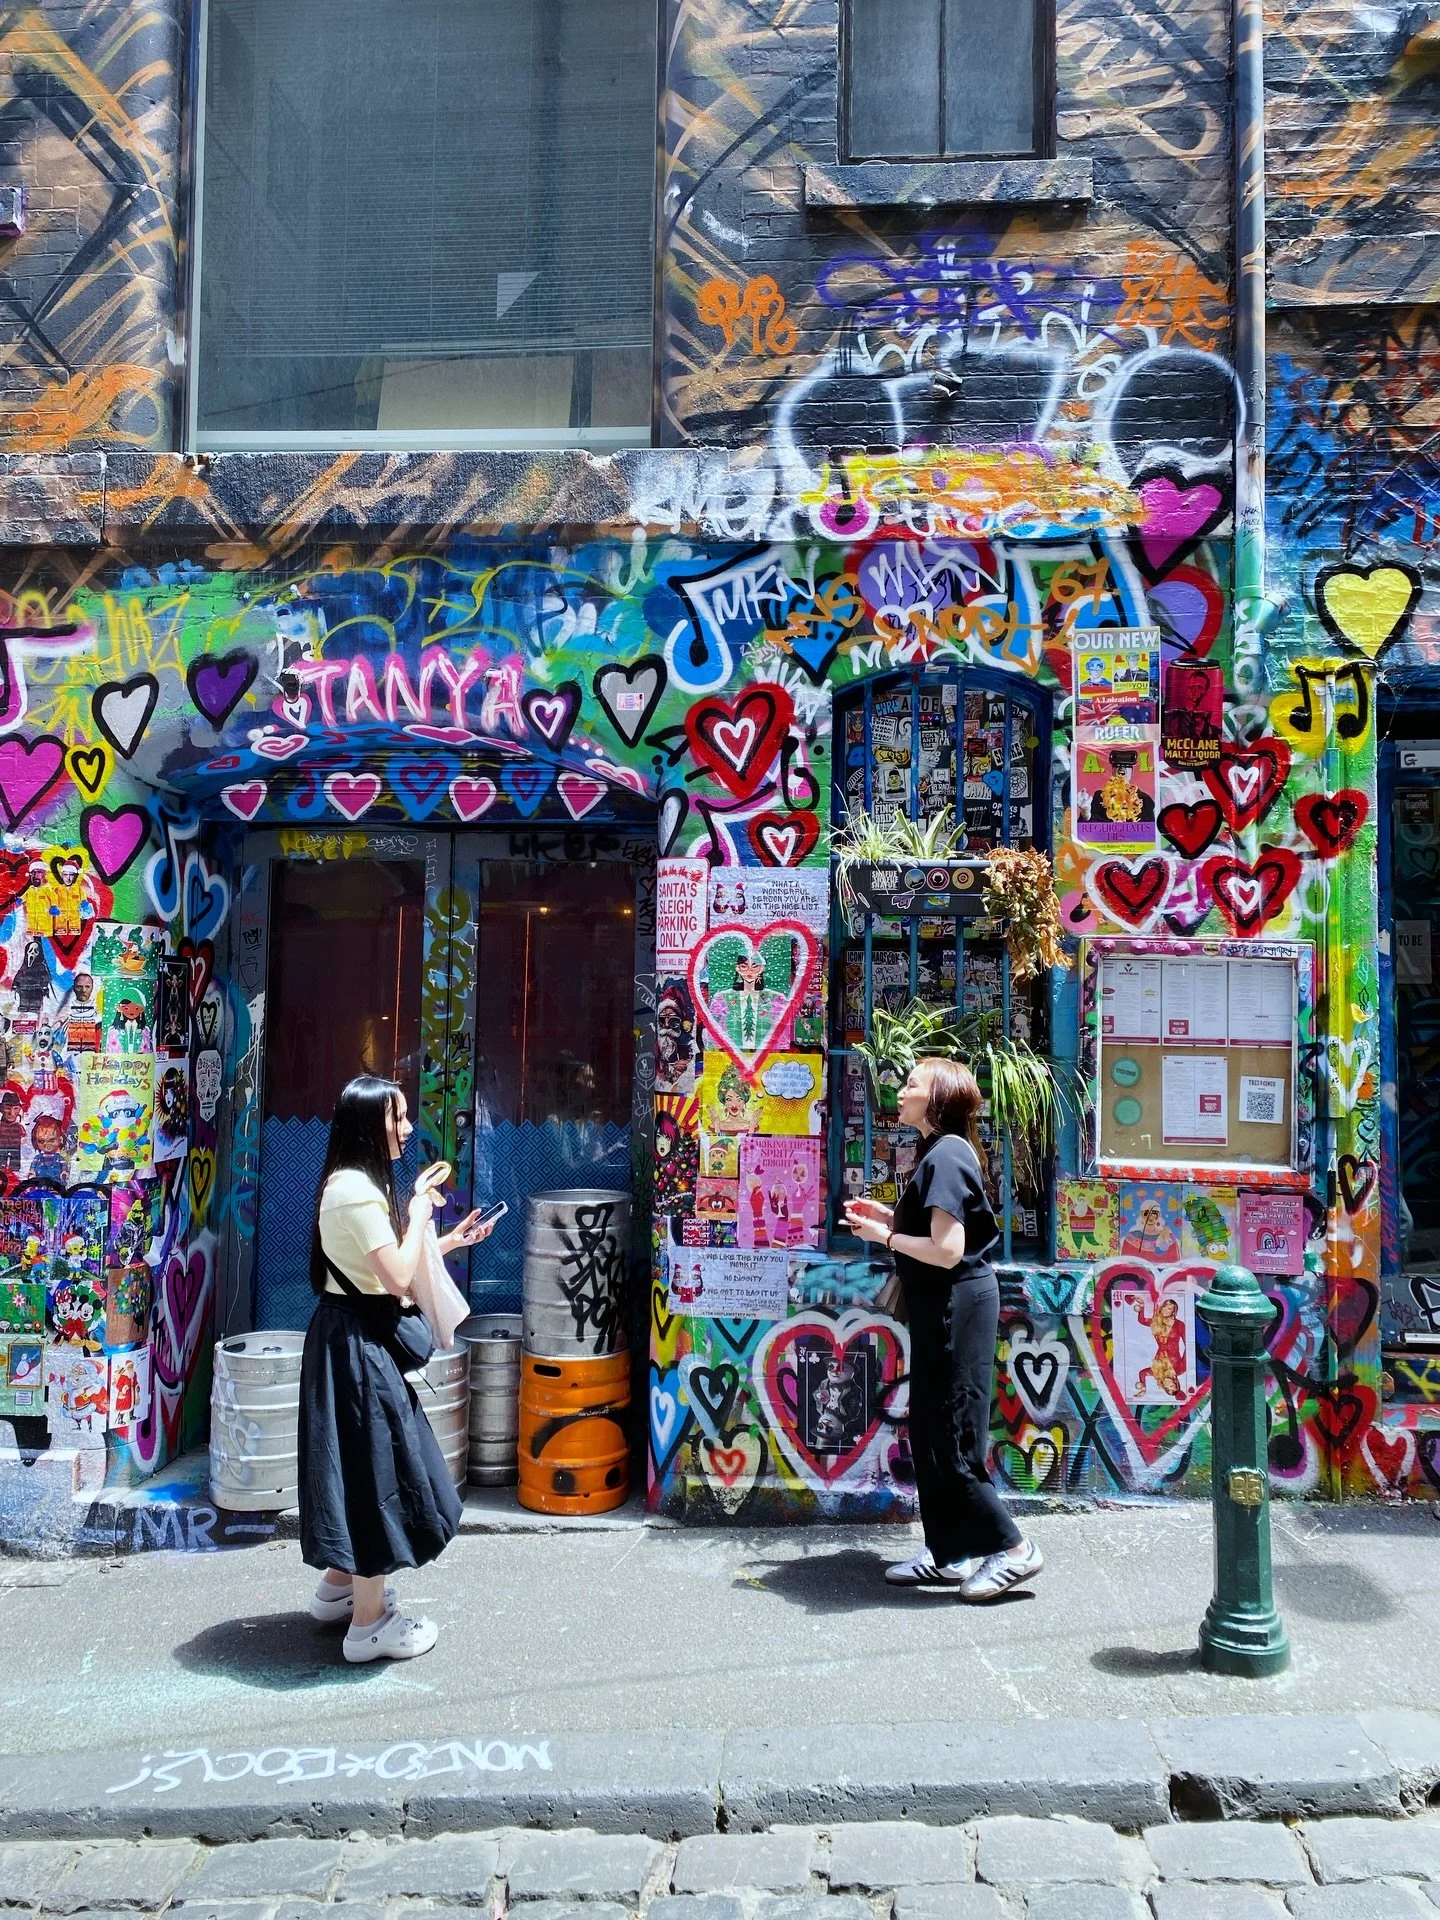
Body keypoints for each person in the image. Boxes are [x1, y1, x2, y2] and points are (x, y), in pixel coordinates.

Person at [299, 1073, 497, 1663]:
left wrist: (451, 1240)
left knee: (355, 1461)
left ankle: (338, 1588)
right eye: (398, 1117)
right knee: (374, 1470)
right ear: (369, 1124)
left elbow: (379, 1265)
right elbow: (397, 1278)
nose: (407, 1128)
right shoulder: (358, 1192)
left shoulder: (350, 1184)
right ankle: (369, 1626)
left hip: (345, 1340)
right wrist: (417, 1211)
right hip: (356, 1349)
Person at [844, 1057, 1043, 1602]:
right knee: (930, 1432)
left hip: (958, 1306)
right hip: (941, 1307)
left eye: (913, 1084)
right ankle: (949, 1554)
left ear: (937, 1100)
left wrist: (885, 1238)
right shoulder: (938, 1151)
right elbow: (936, 1230)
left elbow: (948, 1249)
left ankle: (1014, 1549)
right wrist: (887, 1218)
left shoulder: (948, 1153)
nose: (901, 1090)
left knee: (953, 1436)